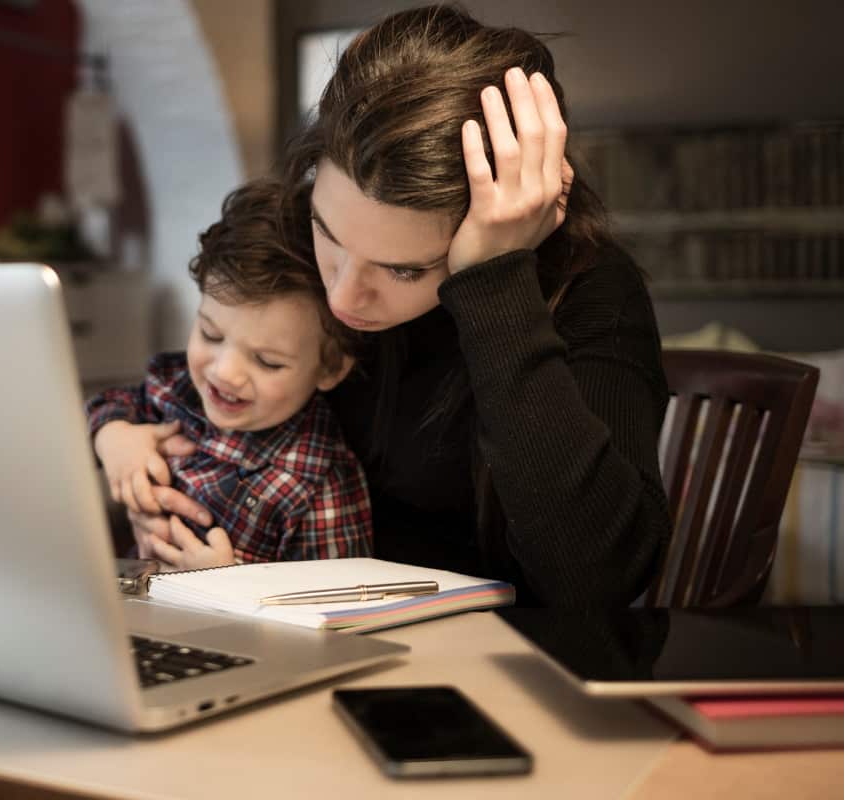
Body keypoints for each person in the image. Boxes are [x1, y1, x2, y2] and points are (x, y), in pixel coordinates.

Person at [107, 5, 670, 607]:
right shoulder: (290, 243)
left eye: (404, 269)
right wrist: (134, 463)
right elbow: (202, 407)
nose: (344, 298)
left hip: (497, 660)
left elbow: (597, 581)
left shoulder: (590, 291)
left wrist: (495, 283)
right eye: (328, 231)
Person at [86, 178, 371, 569]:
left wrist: (229, 583)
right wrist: (113, 438)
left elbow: (336, 605)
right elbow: (108, 403)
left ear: (331, 367)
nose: (225, 373)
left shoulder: (318, 481)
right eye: (210, 334)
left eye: (267, 361)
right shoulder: (177, 388)